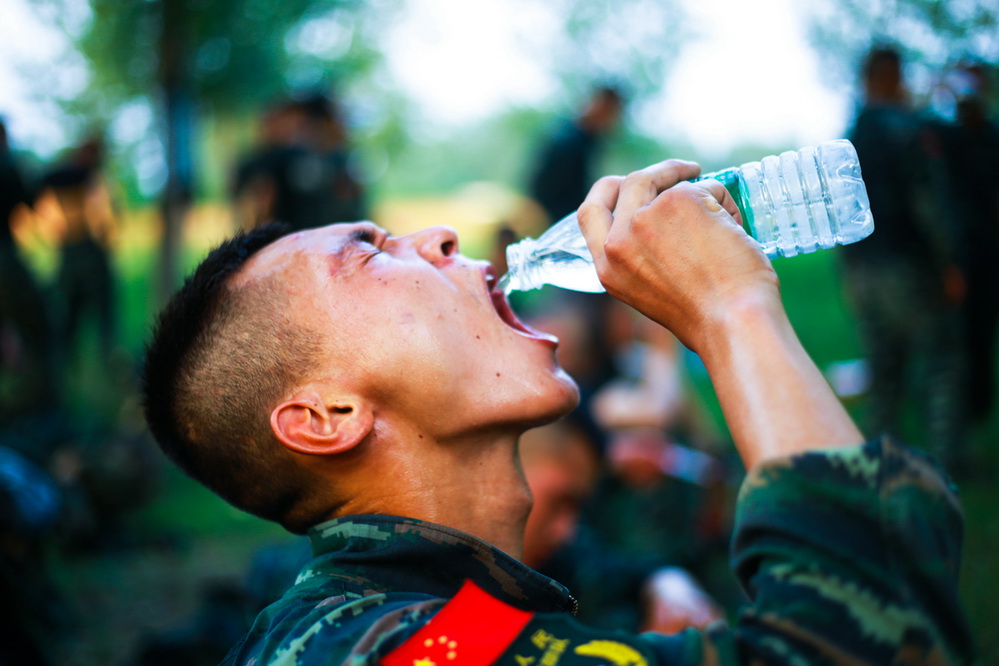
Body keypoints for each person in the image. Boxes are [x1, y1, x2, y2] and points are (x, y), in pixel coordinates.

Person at [142, 159, 971, 664]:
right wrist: (731, 311)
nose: (434, 235)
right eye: (366, 253)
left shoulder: (446, 616)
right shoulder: (385, 650)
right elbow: (874, 644)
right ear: (325, 413)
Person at [839, 46, 966, 465]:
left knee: (884, 370)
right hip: (907, 268)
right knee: (941, 363)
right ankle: (945, 463)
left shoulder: (851, 135)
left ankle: (880, 465)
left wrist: (850, 273)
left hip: (865, 272)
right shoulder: (909, 131)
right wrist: (950, 263)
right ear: (894, 77)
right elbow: (928, 204)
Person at [528, 85, 625, 224]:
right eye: (613, 111)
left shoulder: (588, 141)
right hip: (554, 220)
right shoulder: (568, 141)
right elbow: (544, 187)